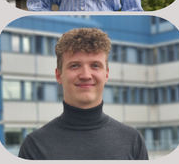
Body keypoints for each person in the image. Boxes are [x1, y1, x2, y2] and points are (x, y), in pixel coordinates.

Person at [18, 28, 148, 160]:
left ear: (106, 74)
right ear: (59, 75)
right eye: (75, 66)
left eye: (95, 66)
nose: (86, 75)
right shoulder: (35, 146)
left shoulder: (133, 141)